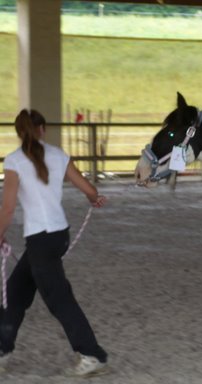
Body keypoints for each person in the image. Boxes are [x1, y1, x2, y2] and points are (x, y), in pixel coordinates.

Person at [0, 109, 108, 377]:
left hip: (40, 239)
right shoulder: (59, 154)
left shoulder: (14, 161)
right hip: (57, 236)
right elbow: (89, 189)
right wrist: (94, 199)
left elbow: (9, 208)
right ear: (42, 129)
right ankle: (2, 348)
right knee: (15, 292)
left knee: (59, 299)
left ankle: (92, 354)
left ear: (18, 132)